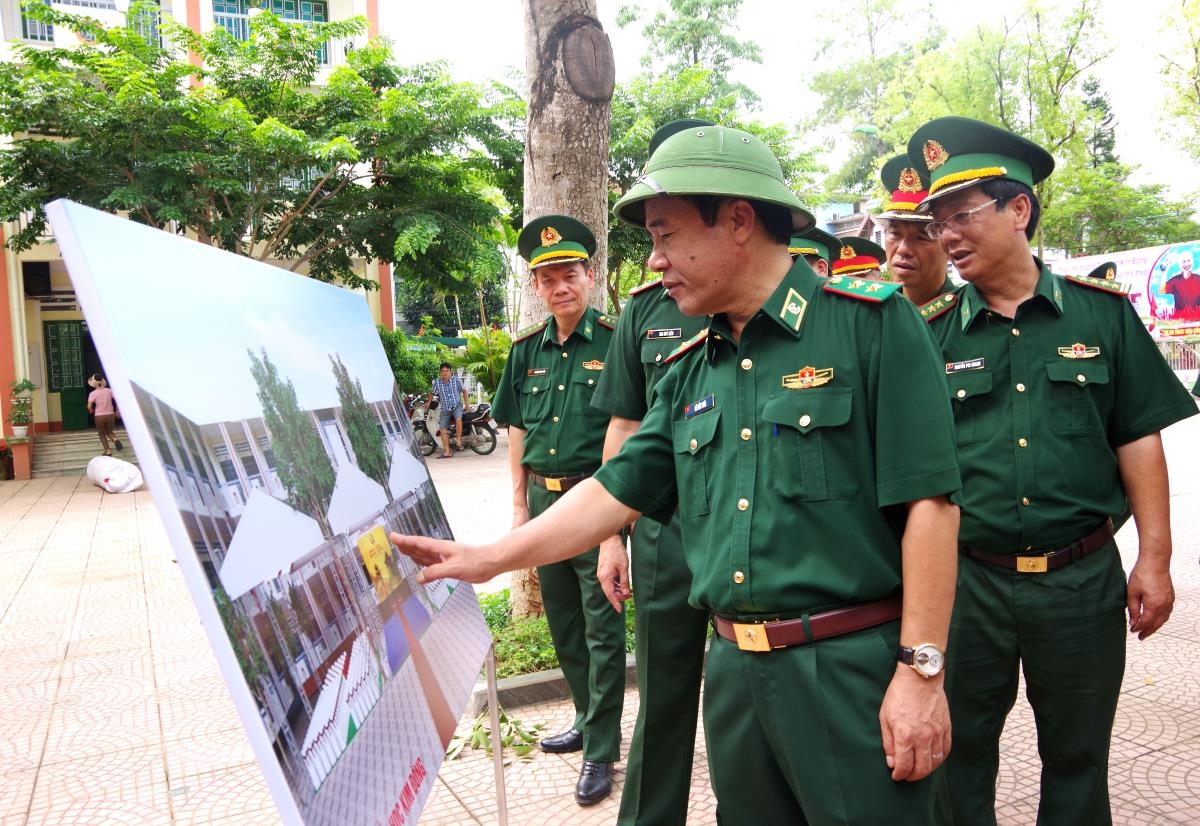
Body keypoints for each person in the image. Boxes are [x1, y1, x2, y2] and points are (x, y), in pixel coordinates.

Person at [392, 125, 963, 825]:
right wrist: (491, 557)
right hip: (734, 675)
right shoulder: (694, 364)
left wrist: (921, 672)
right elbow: (614, 488)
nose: (655, 260)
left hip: (848, 671)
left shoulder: (872, 329)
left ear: (739, 220)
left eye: (665, 235)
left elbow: (931, 507)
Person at [908, 115, 1199, 826]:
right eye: (938, 221)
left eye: (962, 215)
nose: (947, 235)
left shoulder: (1102, 319)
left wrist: (1154, 560)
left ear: (1019, 209)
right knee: (961, 756)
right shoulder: (931, 334)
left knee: (1076, 757)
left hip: (1079, 581)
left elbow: (1138, 440)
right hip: (969, 585)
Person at [592, 119, 714, 826]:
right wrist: (614, 538)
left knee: (751, 707)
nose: (660, 252)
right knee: (664, 699)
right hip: (666, 540)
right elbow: (624, 428)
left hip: (742, 535)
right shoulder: (643, 312)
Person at [490, 214, 625, 806]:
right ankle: (584, 715)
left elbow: (628, 427)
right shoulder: (525, 350)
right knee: (565, 621)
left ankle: (602, 747)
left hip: (594, 501)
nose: (559, 286)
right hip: (545, 502)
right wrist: (519, 505)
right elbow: (517, 425)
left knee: (602, 624)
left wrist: (618, 524)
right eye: (547, 278)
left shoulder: (618, 342)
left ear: (588, 277)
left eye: (569, 273)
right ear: (537, 287)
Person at [876, 154, 953, 307]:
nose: (903, 249)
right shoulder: (873, 314)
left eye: (921, 237)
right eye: (895, 233)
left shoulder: (971, 317)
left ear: (950, 246)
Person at [426, 361, 469, 459]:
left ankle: (458, 441)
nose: (445, 373)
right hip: (445, 408)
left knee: (458, 419)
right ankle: (447, 452)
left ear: (450, 372)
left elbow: (464, 391)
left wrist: (467, 405)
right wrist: (429, 402)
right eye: (443, 371)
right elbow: (432, 392)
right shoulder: (437, 382)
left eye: (447, 371)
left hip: (456, 405)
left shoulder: (456, 380)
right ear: (440, 372)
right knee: (442, 430)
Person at [86, 373, 121, 456]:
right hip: (110, 414)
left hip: (99, 416)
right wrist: (117, 410)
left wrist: (91, 410)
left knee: (101, 434)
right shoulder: (110, 391)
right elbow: (119, 400)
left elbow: (89, 406)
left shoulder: (92, 394)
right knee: (109, 431)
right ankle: (115, 439)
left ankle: (108, 451)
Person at [1161, 252, 1200, 319]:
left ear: (1192, 262)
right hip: (1181, 320)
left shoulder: (1198, 279)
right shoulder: (1175, 280)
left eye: (1188, 260)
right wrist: (1165, 272)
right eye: (1183, 261)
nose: (1186, 264)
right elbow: (1162, 290)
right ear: (1179, 264)